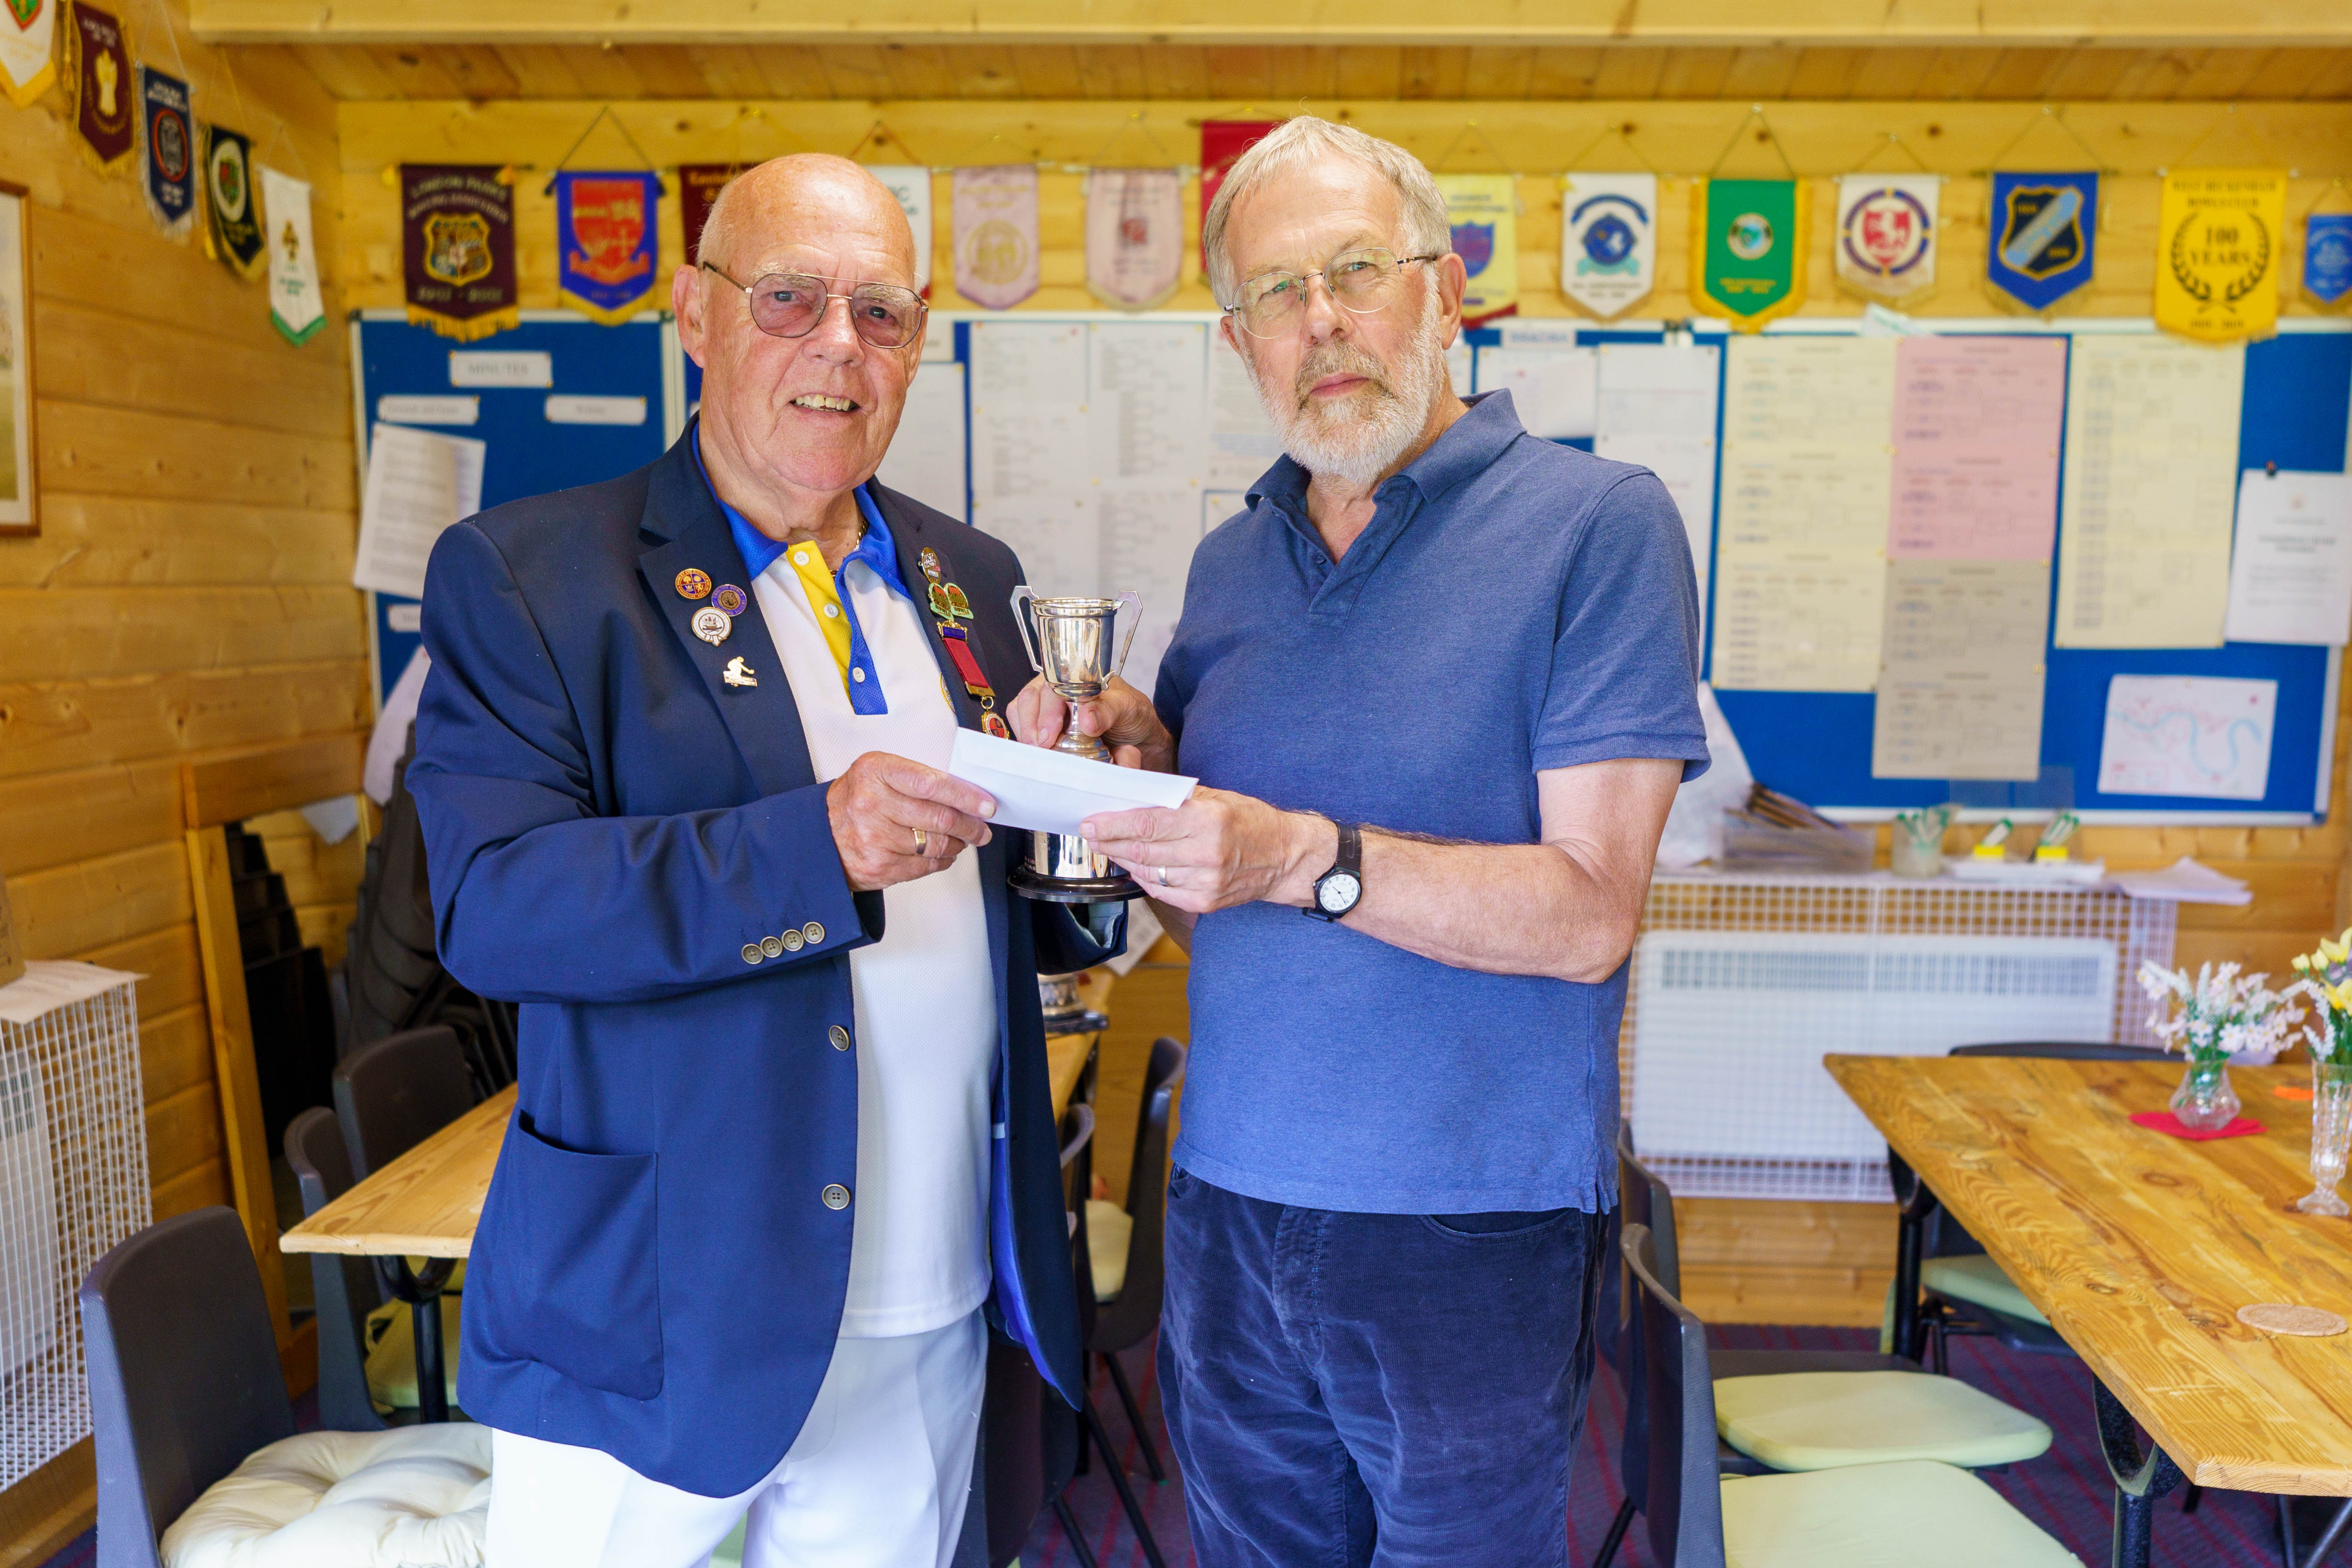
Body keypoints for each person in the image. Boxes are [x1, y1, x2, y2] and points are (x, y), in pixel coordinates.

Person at [1011, 116, 1709, 1566]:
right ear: (1238, 341)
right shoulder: (1230, 561)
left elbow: (1590, 916)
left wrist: (1298, 855)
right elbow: (1219, 903)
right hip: (1226, 1204)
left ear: (1443, 294)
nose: (1319, 319)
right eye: (1276, 291)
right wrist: (1138, 780)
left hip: (1470, 1229)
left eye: (1355, 270)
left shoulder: (1599, 526)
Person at [408, 154, 1119, 1568]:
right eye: (790, 299)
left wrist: (1092, 818)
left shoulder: (973, 576)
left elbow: (1011, 916)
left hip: (927, 1280)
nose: (839, 346)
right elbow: (496, 908)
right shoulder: (530, 571)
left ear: (915, 340)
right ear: (695, 312)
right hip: (657, 1298)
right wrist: (817, 848)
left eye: (881, 312)